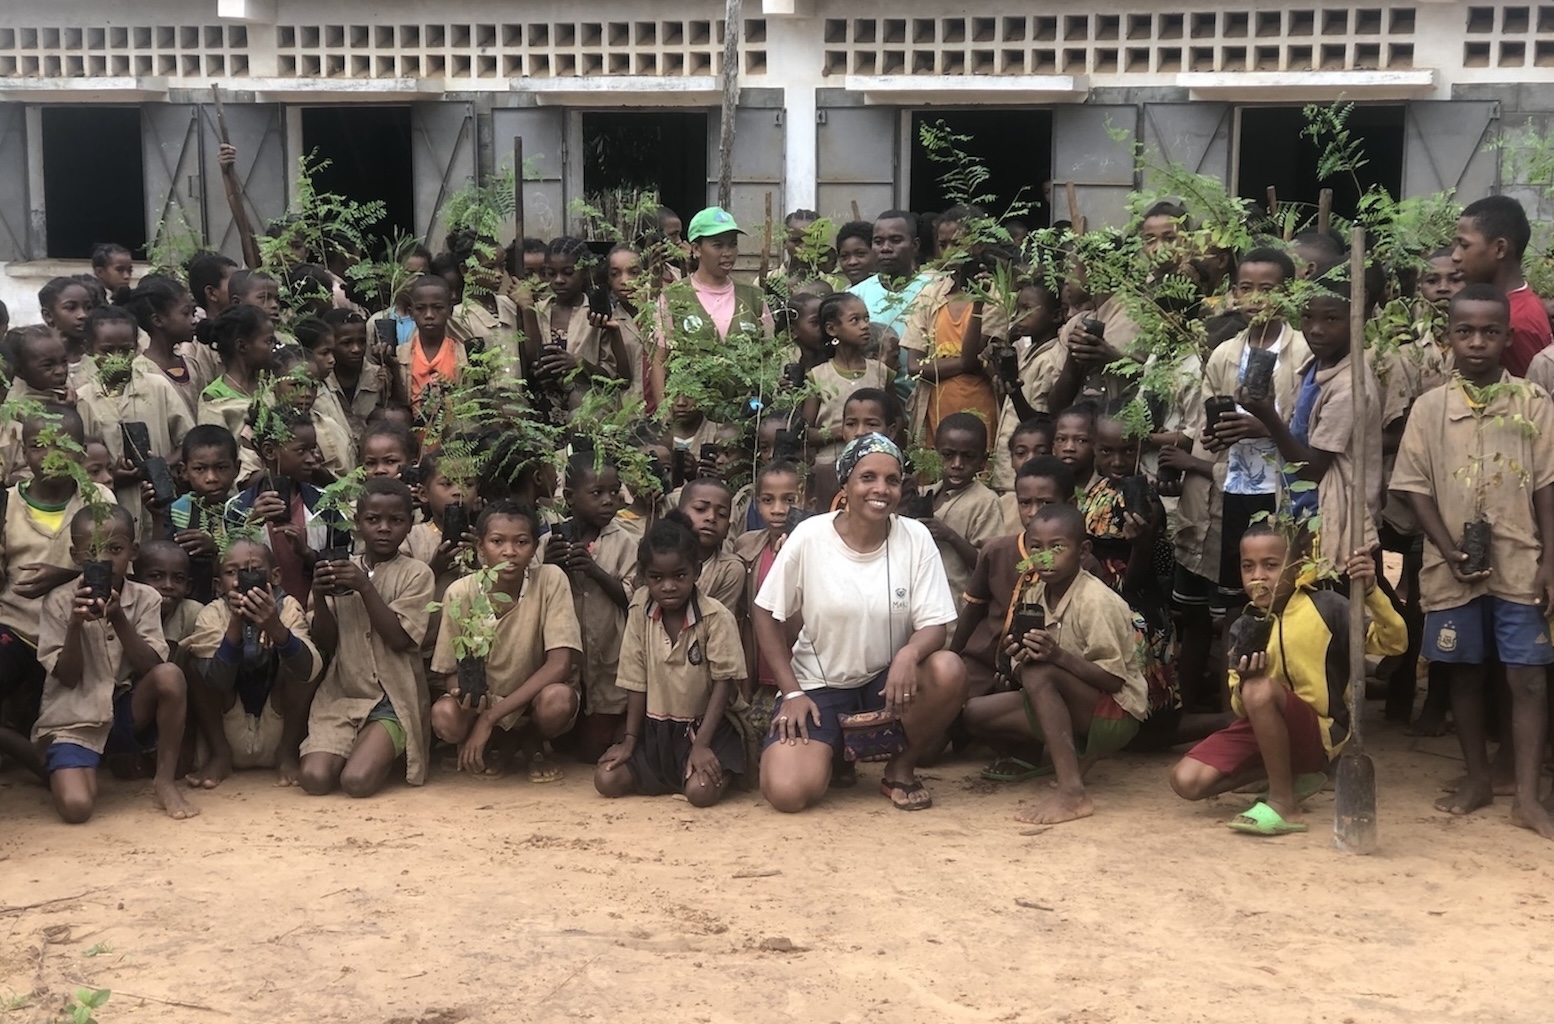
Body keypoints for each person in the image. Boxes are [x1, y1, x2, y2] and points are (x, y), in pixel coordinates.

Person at [1391, 285, 1554, 838]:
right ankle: (1478, 777)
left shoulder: (1533, 403)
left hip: (1519, 561)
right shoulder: (1430, 408)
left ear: (1509, 337)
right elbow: (1415, 487)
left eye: (1490, 332)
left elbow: (1548, 485)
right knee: (1461, 671)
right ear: (1449, 338)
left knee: (1528, 678)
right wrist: (1445, 546)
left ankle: (1527, 797)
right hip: (1451, 565)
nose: (1478, 343)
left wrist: (1550, 557)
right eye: (1466, 332)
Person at [755, 434, 966, 812]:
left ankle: (900, 768)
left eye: (892, 480)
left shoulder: (915, 537)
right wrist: (791, 693)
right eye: (868, 477)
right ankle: (837, 754)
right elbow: (766, 612)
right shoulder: (810, 536)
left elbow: (935, 624)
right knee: (787, 792)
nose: (881, 489)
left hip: (886, 683)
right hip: (818, 685)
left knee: (947, 669)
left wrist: (909, 654)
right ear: (846, 484)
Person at [1169, 529, 1405, 835]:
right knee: (1185, 781)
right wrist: (1244, 682)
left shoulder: (1327, 607)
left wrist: (1372, 591)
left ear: (1299, 567)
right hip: (1264, 725)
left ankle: (1284, 803)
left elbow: (1393, 643)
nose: (1258, 577)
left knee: (1261, 690)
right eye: (1247, 566)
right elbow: (1241, 707)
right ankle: (1289, 775)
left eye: (1270, 565)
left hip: (1318, 730)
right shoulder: (1245, 623)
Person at [967, 502, 1149, 825]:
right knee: (974, 713)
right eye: (1036, 548)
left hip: (1116, 712)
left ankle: (1072, 793)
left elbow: (1114, 681)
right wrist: (1017, 656)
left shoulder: (1094, 600)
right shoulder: (1036, 594)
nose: (1045, 557)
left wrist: (1055, 657)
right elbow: (1031, 670)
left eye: (1058, 547)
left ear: (1083, 552)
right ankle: (1074, 755)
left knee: (1042, 673)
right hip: (1075, 698)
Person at [33, 504, 197, 822]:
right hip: (74, 720)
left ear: (133, 552)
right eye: (92, 550)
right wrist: (74, 625)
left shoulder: (146, 597)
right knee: (77, 807)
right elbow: (67, 677)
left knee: (170, 675)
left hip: (123, 711)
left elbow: (151, 666)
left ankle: (164, 780)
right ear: (76, 555)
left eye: (115, 548)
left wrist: (119, 617)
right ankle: (43, 755)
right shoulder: (59, 600)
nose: (104, 559)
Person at [595, 512, 749, 805]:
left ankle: (720, 768)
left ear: (696, 571)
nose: (668, 586)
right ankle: (668, 769)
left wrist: (702, 744)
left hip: (706, 728)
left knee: (700, 793)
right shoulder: (640, 609)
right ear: (643, 577)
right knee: (606, 779)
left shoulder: (716, 617)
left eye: (679, 576)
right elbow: (635, 679)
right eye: (657, 577)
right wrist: (629, 740)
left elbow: (723, 684)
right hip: (656, 729)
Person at [1242, 262, 1382, 577]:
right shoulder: (1314, 366)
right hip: (1300, 509)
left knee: (1332, 600)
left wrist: (1267, 415)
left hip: (1330, 514)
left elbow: (1312, 469)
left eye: (1331, 319)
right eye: (1307, 317)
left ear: (1357, 317)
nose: (1316, 329)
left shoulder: (1350, 386)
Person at [299, 477, 434, 797]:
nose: (384, 528)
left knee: (356, 782)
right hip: (343, 694)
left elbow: (401, 639)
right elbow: (325, 643)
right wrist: (319, 595)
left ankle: (381, 748)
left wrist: (364, 587)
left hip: (392, 699)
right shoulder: (340, 567)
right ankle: (360, 745)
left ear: (409, 523)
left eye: (396, 520)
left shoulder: (417, 574)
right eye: (373, 520)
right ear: (358, 523)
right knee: (314, 779)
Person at [430, 502, 581, 781]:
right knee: (445, 716)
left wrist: (490, 717)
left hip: (535, 696)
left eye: (521, 542)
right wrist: (467, 697)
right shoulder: (460, 593)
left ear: (535, 547)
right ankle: (501, 740)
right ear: (480, 547)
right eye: (497, 541)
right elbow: (449, 672)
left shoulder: (550, 580)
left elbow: (560, 664)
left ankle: (530, 737)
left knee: (558, 702)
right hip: (486, 699)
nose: (509, 552)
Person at [0, 406, 119, 724]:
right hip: (17, 630)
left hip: (78, 638)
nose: (49, 456)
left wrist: (64, 575)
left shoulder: (99, 500)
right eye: (38, 445)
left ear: (80, 453)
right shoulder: (6, 505)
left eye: (62, 445)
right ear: (24, 453)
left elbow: (119, 569)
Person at [184, 538, 321, 787]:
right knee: (196, 665)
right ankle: (219, 755)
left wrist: (277, 629)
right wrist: (235, 624)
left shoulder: (287, 606)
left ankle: (286, 753)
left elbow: (307, 671)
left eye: (251, 570)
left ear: (275, 576)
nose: (240, 581)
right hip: (229, 723)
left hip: (277, 724)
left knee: (304, 655)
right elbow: (217, 682)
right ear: (218, 585)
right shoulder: (213, 613)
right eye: (230, 572)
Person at [954, 456, 1077, 709]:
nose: (1033, 513)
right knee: (950, 711)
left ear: (1070, 504)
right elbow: (974, 611)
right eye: (1025, 503)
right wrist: (952, 656)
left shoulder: (1080, 563)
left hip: (1043, 669)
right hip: (982, 662)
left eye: (1046, 503)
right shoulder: (997, 551)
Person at [547, 453, 637, 761]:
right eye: (597, 493)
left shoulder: (626, 542)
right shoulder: (550, 540)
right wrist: (548, 566)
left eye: (614, 492)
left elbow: (632, 599)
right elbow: (530, 594)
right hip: (566, 659)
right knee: (560, 731)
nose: (608, 501)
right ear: (570, 497)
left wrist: (596, 572)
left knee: (592, 749)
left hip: (608, 656)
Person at [75, 306, 194, 533]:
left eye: (125, 350)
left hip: (162, 504)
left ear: (138, 348)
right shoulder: (84, 399)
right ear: (89, 349)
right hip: (111, 509)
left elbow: (188, 440)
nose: (116, 358)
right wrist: (112, 476)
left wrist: (161, 465)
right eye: (107, 350)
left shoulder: (158, 387)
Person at [901, 251, 1006, 439]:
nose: (951, 252)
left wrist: (978, 304)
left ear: (976, 245)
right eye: (942, 244)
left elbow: (980, 354)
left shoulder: (994, 297)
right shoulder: (929, 295)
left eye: (956, 245)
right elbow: (914, 366)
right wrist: (968, 363)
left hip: (981, 407)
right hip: (935, 410)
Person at [918, 412, 1007, 614]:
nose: (957, 464)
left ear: (983, 461)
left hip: (955, 607)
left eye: (968, 457)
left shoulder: (985, 501)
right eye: (948, 455)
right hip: (917, 602)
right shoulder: (923, 493)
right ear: (936, 454)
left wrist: (950, 536)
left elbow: (990, 567)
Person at [1452, 195, 1550, 376]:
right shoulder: (1515, 305)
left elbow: (1525, 396)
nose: (1455, 256)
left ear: (1500, 249)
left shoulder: (1516, 321)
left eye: (1464, 245)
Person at [849, 210, 939, 400]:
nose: (886, 248)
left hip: (927, 400)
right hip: (870, 402)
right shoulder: (854, 297)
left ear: (915, 245)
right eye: (878, 242)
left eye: (896, 240)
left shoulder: (936, 290)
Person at [802, 293, 892, 467]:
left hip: (875, 462)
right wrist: (841, 431)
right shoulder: (818, 376)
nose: (865, 326)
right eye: (855, 320)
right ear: (831, 329)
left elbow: (896, 418)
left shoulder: (881, 371)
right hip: (830, 464)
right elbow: (806, 433)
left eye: (866, 319)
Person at [990, 282, 1063, 491]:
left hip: (1030, 467)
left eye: (1028, 310)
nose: (1020, 316)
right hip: (1008, 465)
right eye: (1018, 309)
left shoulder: (1051, 359)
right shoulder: (1024, 352)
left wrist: (1014, 392)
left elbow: (1040, 421)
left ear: (1056, 316)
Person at [162, 425, 241, 602]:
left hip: (232, 600)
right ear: (184, 471)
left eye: (221, 468)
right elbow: (163, 556)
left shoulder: (242, 511)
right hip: (185, 600)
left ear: (236, 468)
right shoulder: (177, 510)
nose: (211, 478)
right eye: (200, 469)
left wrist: (216, 549)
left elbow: (250, 561)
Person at [116, 274, 216, 413]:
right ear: (158, 320)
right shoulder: (141, 372)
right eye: (185, 313)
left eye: (193, 313)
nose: (193, 320)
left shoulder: (191, 365)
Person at [0, 326, 72, 484]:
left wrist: (70, 412)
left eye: (64, 362)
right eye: (48, 365)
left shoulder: (74, 398)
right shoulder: (16, 409)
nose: (60, 371)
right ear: (20, 371)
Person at [196, 305, 277, 441]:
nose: (273, 347)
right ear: (242, 346)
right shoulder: (213, 396)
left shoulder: (271, 384)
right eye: (268, 341)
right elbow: (215, 447)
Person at [394, 275, 466, 416]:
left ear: (450, 311)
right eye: (420, 308)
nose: (429, 315)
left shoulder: (463, 354)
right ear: (411, 313)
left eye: (437, 308)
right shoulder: (400, 356)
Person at [323, 308, 394, 443]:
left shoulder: (379, 376)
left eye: (362, 342)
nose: (356, 349)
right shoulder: (322, 381)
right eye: (346, 343)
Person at [677, 477, 744, 611]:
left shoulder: (730, 570)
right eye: (700, 509)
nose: (711, 517)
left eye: (722, 514)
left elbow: (718, 620)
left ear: (728, 529)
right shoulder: (657, 557)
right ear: (678, 515)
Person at [133, 540, 203, 655]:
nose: (168, 586)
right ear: (135, 581)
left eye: (178, 579)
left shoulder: (194, 614)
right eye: (156, 576)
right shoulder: (125, 610)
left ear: (188, 586)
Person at [997, 417, 1053, 533]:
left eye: (1041, 453)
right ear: (1012, 460)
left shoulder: (1060, 501)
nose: (1030, 459)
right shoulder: (1002, 505)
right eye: (1021, 453)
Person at [39, 276, 96, 371]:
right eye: (71, 308)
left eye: (88, 307)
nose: (83, 315)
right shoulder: (37, 359)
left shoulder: (100, 355)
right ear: (48, 315)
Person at [835, 220, 878, 288]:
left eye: (860, 254)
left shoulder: (891, 295)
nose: (852, 262)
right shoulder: (844, 295)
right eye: (844, 256)